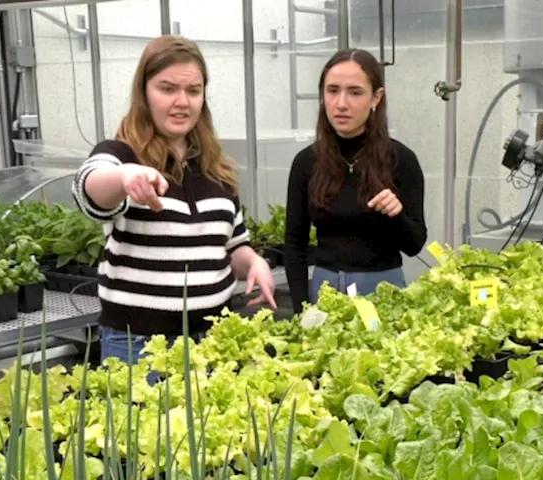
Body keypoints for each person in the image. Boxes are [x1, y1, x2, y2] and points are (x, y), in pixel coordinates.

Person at [71, 35, 276, 364]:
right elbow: (91, 188)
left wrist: (254, 262)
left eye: (193, 91)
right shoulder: (122, 154)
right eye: (167, 89)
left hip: (212, 343)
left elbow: (233, 247)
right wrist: (125, 178)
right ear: (144, 94)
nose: (182, 101)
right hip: (138, 347)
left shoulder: (216, 169)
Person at [283, 48, 427, 310]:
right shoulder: (306, 163)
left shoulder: (401, 160)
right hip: (325, 292)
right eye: (332, 90)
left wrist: (396, 216)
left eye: (355, 92)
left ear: (376, 97)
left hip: (383, 291)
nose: (341, 103)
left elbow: (414, 244)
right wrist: (300, 310)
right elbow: (294, 245)